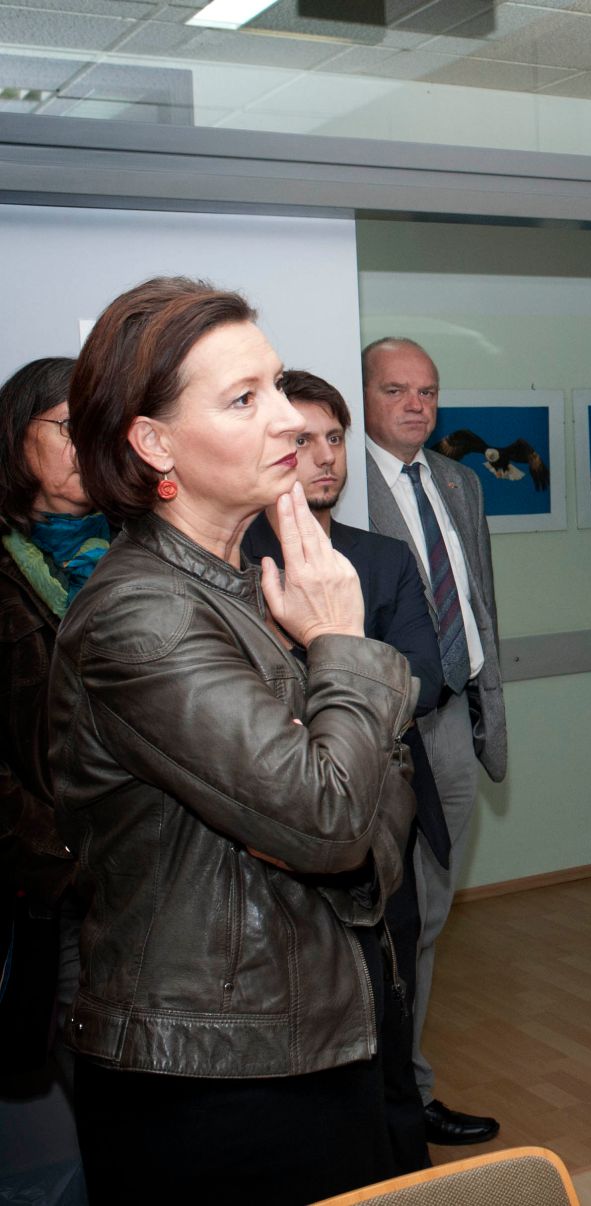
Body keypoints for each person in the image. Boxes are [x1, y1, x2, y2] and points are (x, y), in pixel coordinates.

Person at [49, 277, 416, 1203]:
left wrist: (323, 786)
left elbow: (375, 799)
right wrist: (338, 644)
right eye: (245, 400)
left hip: (310, 1024)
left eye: (281, 386)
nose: (292, 420)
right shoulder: (141, 614)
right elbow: (330, 813)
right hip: (211, 1073)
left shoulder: (252, 583)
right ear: (153, 442)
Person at [239, 369, 441, 1175]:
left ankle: (408, 1171)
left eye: (333, 440)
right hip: (277, 841)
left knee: (393, 1012)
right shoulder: (235, 563)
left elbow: (423, 672)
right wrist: (349, 673)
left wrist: (328, 675)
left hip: (380, 825)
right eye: (301, 441)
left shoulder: (380, 558)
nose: (322, 458)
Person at [360, 336, 505, 1146]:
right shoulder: (341, 489)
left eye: (428, 392)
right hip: (382, 735)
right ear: (367, 397)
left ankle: (410, 1086)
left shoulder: (457, 481)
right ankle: (386, 1105)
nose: (416, 405)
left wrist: (486, 711)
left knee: (433, 917)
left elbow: (479, 604)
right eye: (396, 390)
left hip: (452, 721)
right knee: (388, 924)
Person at [0, 356, 106, 1189]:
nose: (85, 447)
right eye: (68, 428)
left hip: (146, 867)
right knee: (89, 1075)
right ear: (16, 433)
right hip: (52, 881)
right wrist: (57, 857)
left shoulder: (139, 555)